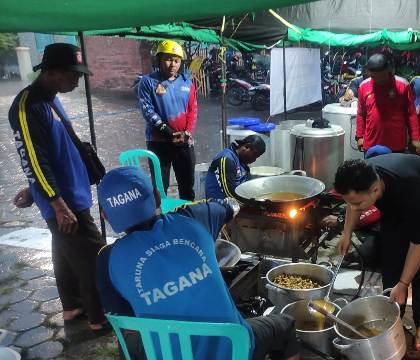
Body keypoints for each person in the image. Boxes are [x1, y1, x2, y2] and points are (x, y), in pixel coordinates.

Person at [95, 167, 300, 360]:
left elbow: (126, 323)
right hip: (233, 350)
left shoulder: (106, 259)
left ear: (105, 216)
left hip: (165, 355)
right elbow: (229, 206)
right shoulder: (194, 217)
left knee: (130, 341)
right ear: (157, 197)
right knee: (285, 326)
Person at [8, 43, 107, 331]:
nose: (78, 80)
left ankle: (73, 307)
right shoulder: (27, 105)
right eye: (72, 74)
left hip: (69, 193)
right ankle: (98, 319)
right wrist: (56, 202)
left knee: (65, 251)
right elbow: (32, 156)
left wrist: (33, 188)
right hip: (64, 202)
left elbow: (50, 152)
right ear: (51, 72)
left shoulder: (51, 97)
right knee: (94, 258)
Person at [333, 155, 420, 353]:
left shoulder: (410, 194)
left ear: (375, 190)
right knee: (391, 253)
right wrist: (347, 233)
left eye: (357, 204)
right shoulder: (364, 181)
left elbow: (417, 245)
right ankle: (394, 309)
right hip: (394, 199)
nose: (353, 208)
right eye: (349, 203)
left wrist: (404, 284)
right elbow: (352, 203)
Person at [138, 39, 197, 201]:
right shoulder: (147, 82)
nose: (173, 64)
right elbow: (148, 111)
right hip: (159, 143)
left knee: (187, 188)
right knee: (159, 189)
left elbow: (193, 110)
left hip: (184, 142)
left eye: (176, 60)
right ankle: (161, 221)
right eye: (168, 59)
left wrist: (187, 133)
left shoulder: (187, 83)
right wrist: (170, 133)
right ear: (158, 60)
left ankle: (186, 220)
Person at [355, 54, 420, 155]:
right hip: (371, 144)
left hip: (396, 145)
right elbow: (361, 113)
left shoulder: (402, 85)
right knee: (371, 170)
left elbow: (411, 114)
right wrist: (359, 136)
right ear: (369, 73)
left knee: (395, 171)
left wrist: (415, 138)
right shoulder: (363, 86)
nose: (378, 80)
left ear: (388, 70)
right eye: (374, 76)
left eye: (381, 76)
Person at [205, 135, 266, 201]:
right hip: (220, 206)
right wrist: (251, 203)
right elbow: (228, 193)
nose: (254, 160)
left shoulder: (243, 163)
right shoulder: (226, 159)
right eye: (254, 155)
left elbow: (248, 186)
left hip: (237, 203)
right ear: (247, 146)